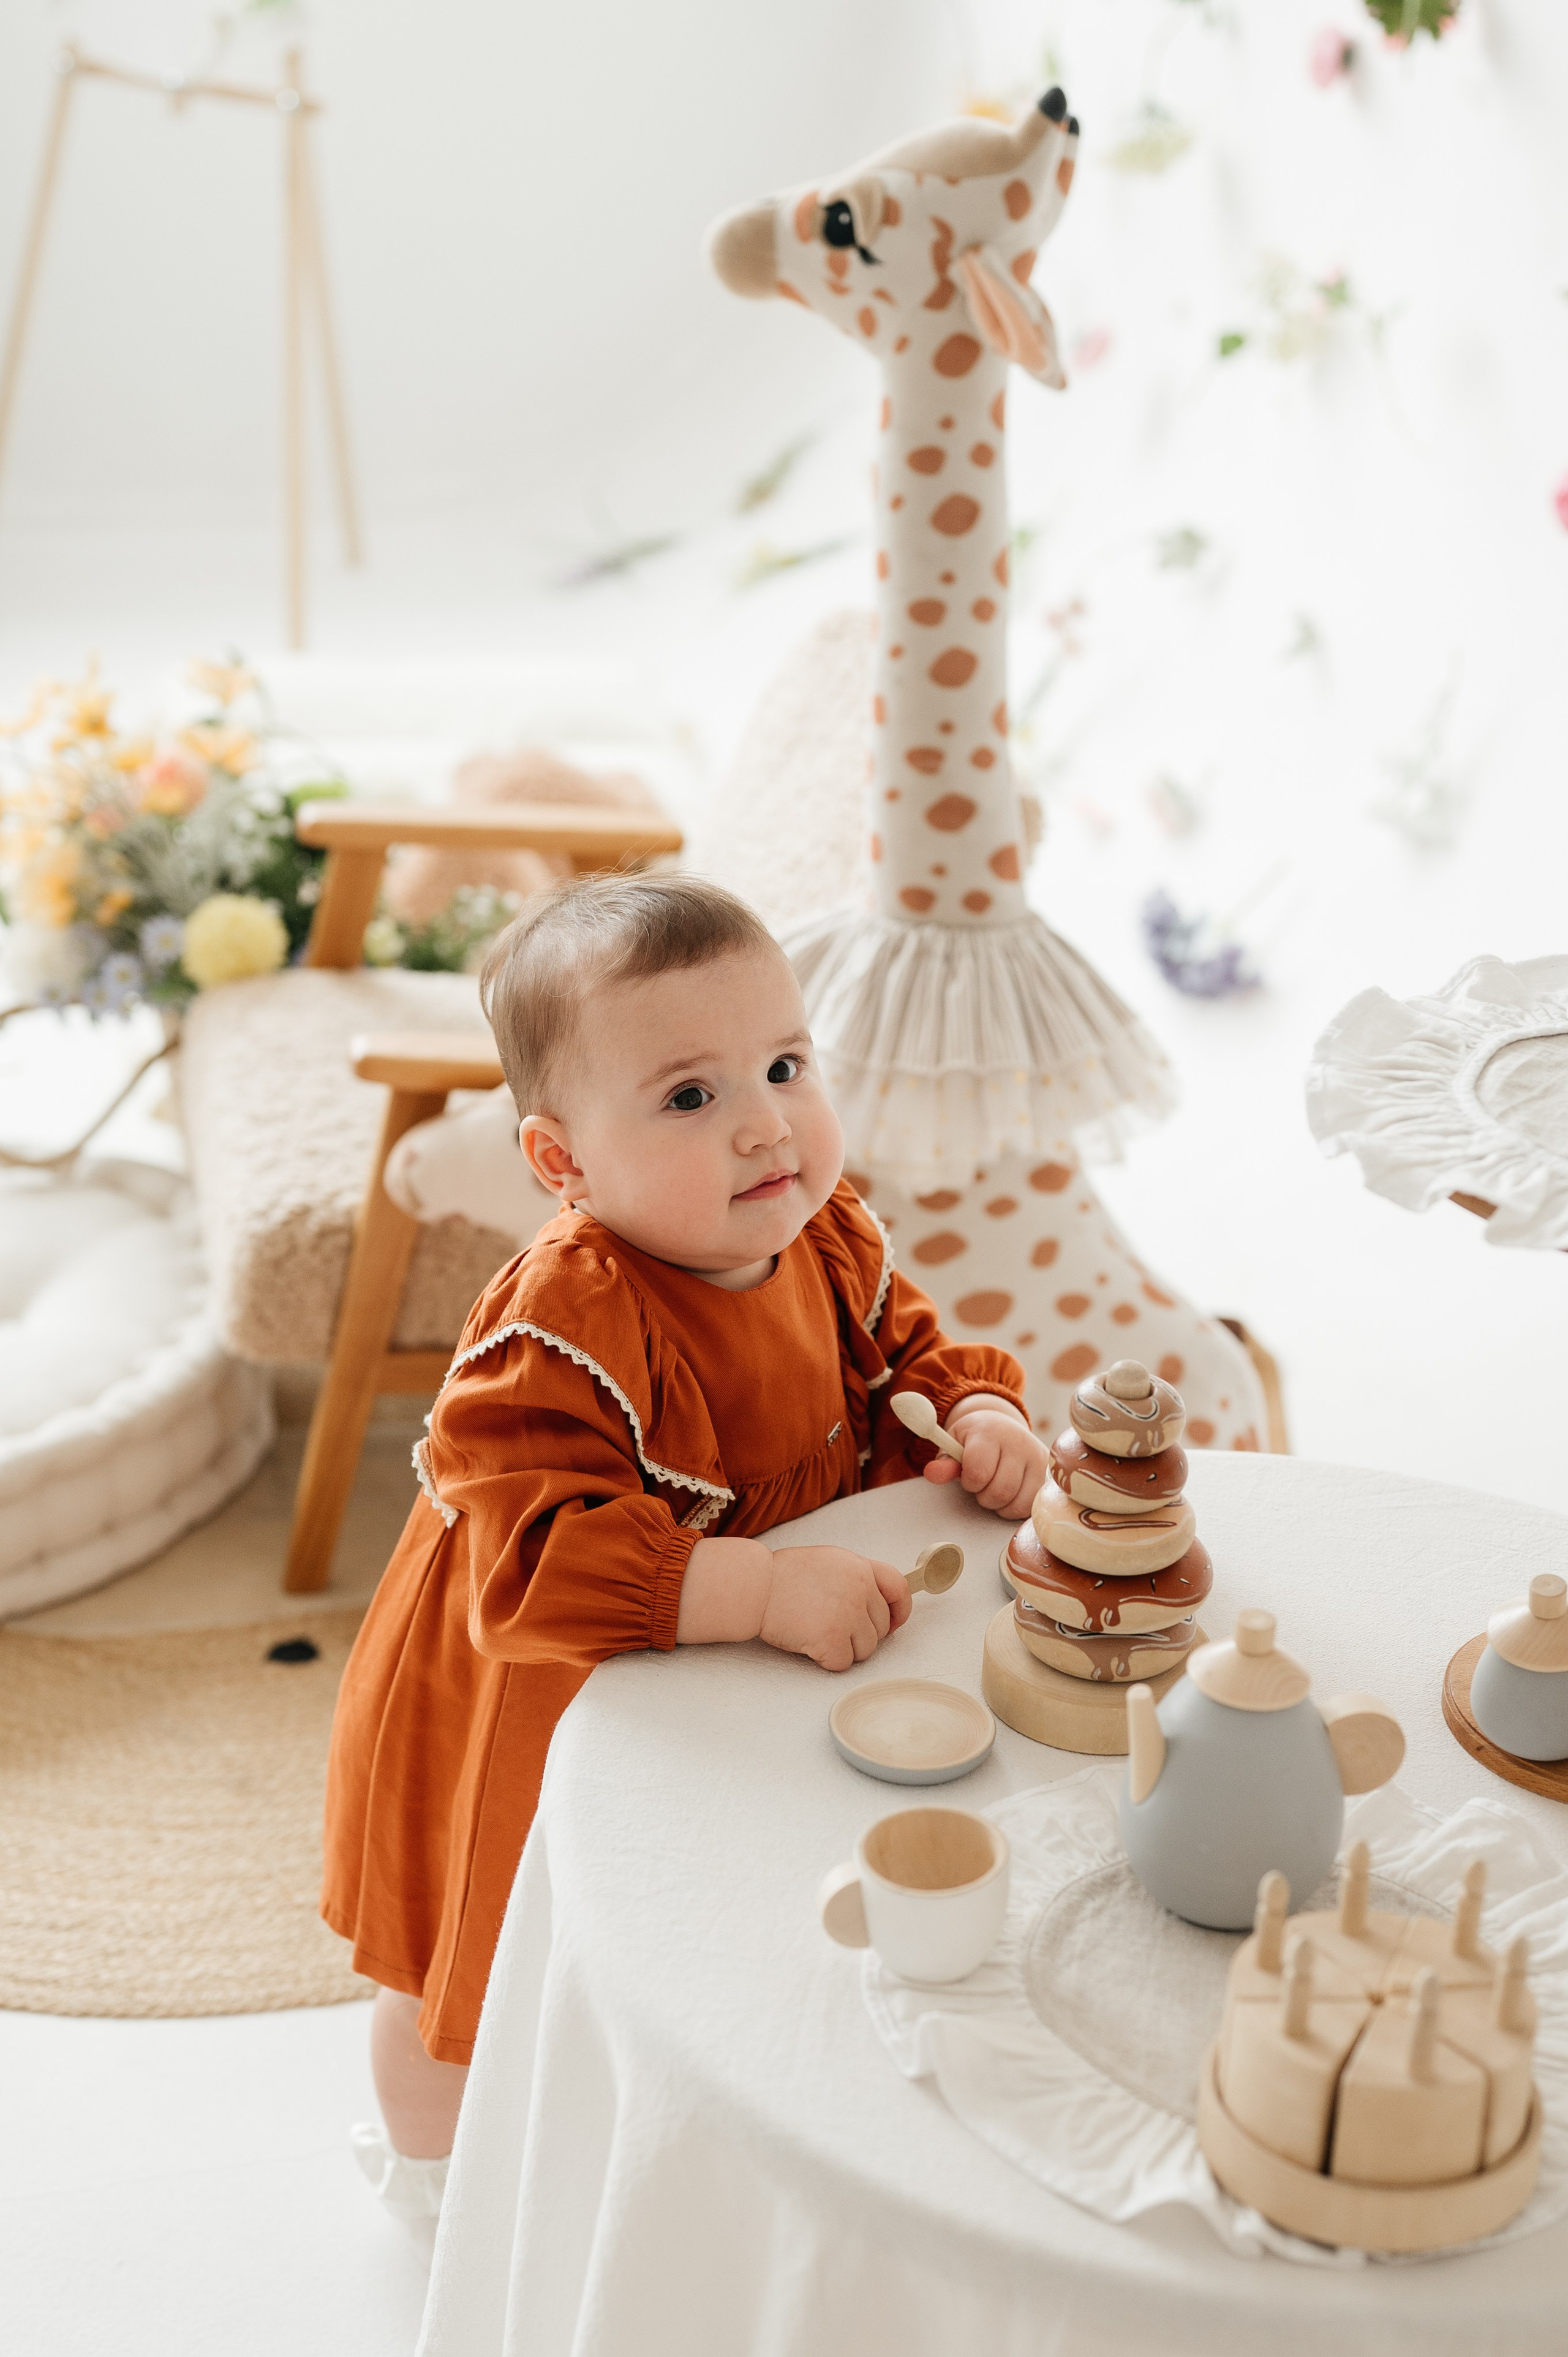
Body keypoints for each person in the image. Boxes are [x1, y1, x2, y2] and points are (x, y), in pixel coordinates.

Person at [322, 873, 1049, 2230]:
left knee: (707, 1900)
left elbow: (907, 1353)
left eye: (782, 1064)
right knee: (467, 1968)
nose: (766, 1122)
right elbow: (535, 1556)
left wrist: (978, 1411)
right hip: (530, 1684)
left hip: (735, 1649)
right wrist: (758, 1584)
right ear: (562, 1162)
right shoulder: (563, 1318)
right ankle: (431, 2185)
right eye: (689, 1097)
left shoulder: (817, 1229)